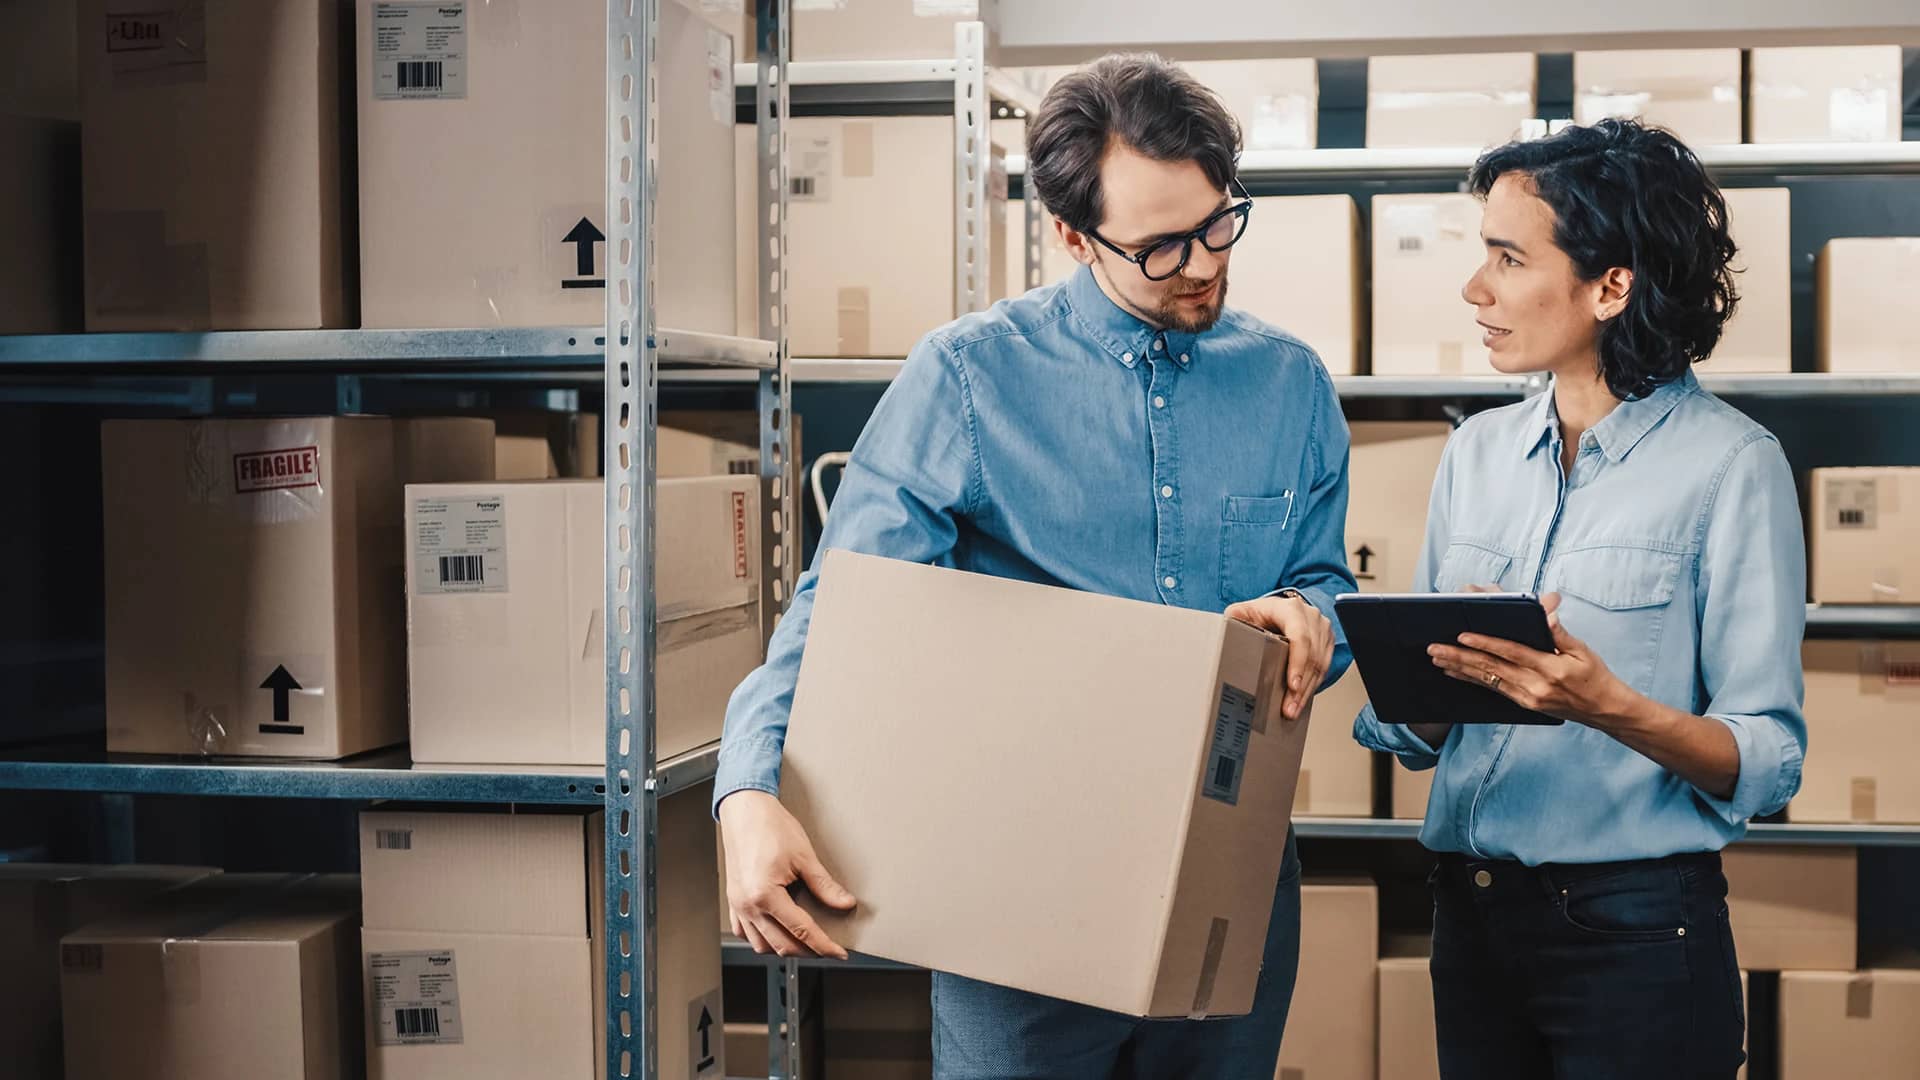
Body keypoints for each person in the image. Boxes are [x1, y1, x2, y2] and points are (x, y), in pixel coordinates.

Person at [715, 53, 1356, 1078]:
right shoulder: (969, 378)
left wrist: (1309, 612)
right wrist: (747, 790)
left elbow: (1326, 578)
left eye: (1218, 223)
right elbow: (844, 609)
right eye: (1158, 247)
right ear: (1071, 234)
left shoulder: (1292, 385)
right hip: (1021, 896)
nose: (1201, 263)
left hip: (1230, 877)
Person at [1354, 118, 1806, 1079]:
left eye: (1509, 258)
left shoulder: (1733, 467)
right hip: (1470, 919)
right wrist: (1426, 686)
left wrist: (1609, 709)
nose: (1476, 290)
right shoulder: (1476, 453)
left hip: (1636, 934)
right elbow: (1419, 733)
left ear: (1611, 286)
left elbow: (1767, 760)